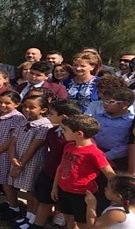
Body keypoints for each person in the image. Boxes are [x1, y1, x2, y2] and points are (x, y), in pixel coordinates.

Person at [51, 115, 115, 229]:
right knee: (68, 218)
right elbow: (61, 167)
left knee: (82, 223)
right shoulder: (69, 146)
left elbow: (110, 174)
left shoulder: (94, 153)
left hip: (82, 194)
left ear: (79, 133)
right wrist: (55, 186)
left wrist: (115, 195)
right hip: (64, 190)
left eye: (65, 130)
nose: (62, 132)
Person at [31, 99, 82, 229]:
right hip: (49, 172)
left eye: (52, 113)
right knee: (44, 200)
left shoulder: (77, 138)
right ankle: (37, 225)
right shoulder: (52, 132)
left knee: (69, 212)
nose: (49, 116)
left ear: (63, 116)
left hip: (67, 178)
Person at [8, 95, 53, 227]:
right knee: (28, 190)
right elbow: (13, 141)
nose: (27, 109)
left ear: (43, 109)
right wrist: (12, 158)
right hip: (18, 160)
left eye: (32, 107)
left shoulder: (45, 126)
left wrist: (19, 165)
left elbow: (34, 147)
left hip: (31, 163)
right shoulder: (24, 121)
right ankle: (27, 215)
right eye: (25, 106)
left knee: (33, 191)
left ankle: (33, 218)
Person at [0, 91, 27, 221]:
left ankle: (15, 208)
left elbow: (12, 139)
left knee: (7, 183)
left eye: (7, 103)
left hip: (5, 154)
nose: (3, 105)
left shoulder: (18, 118)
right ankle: (10, 204)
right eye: (0, 102)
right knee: (1, 181)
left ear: (17, 104)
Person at [92, 87, 135, 171]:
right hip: (94, 154)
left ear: (124, 104)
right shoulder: (97, 117)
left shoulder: (130, 122)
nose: (105, 104)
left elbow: (128, 145)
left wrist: (107, 156)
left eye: (109, 101)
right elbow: (90, 135)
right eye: (104, 101)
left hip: (116, 160)